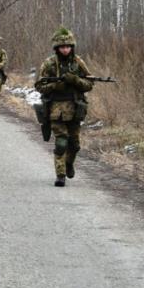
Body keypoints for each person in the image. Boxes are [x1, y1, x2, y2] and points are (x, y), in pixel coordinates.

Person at [35, 28, 93, 187]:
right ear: (57, 48)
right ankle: (60, 175)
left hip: (75, 109)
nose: (65, 49)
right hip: (56, 110)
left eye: (68, 46)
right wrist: (56, 85)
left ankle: (69, 163)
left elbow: (89, 84)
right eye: (62, 47)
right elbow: (39, 86)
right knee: (61, 143)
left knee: (74, 145)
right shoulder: (49, 63)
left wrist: (75, 80)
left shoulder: (78, 62)